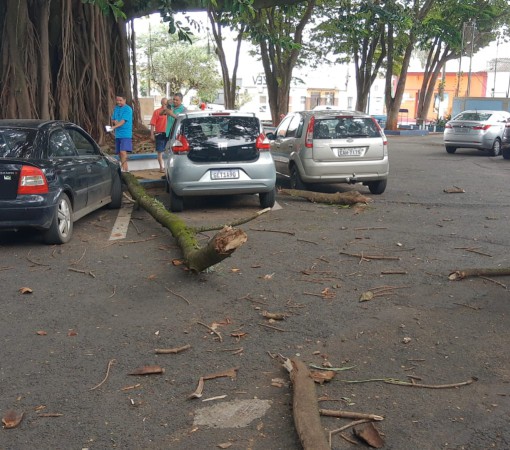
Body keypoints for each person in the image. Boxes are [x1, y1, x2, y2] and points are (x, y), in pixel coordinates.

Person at [111, 94, 133, 172]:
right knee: (120, 153)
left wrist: (114, 127)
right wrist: (114, 122)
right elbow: (113, 119)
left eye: (120, 100)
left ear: (124, 100)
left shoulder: (128, 109)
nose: (118, 102)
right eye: (117, 100)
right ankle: (125, 168)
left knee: (123, 152)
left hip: (126, 134)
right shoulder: (116, 108)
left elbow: (123, 121)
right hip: (118, 134)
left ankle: (125, 170)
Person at [150, 97, 168, 172]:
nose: (165, 105)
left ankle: (167, 167)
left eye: (166, 103)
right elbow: (152, 124)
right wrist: (152, 134)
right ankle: (161, 167)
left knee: (168, 151)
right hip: (159, 133)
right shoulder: (157, 112)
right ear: (161, 103)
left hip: (168, 133)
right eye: (163, 103)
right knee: (160, 151)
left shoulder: (170, 112)